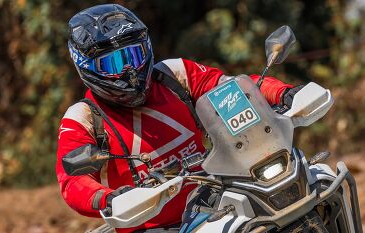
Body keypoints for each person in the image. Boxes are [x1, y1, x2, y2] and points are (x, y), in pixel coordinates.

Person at [56, 4, 301, 233]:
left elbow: (230, 88)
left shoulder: (174, 75)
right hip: (150, 227)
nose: (130, 70)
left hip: (219, 202)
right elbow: (73, 181)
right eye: (113, 63)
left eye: (134, 55)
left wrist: (285, 93)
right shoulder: (84, 117)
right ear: (85, 66)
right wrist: (109, 199)